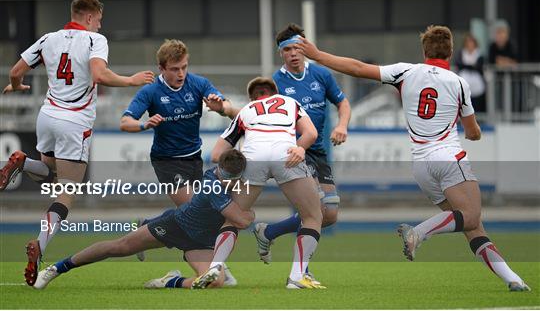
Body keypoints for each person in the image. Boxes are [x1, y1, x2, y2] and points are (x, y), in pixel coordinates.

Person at [295, 25, 530, 292]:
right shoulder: (458, 82)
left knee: (472, 227)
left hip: (421, 166)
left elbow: (358, 68)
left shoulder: (405, 71)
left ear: (424, 51)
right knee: (472, 216)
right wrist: (474, 134)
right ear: (451, 52)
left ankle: (513, 279)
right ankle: (419, 233)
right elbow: (472, 129)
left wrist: (317, 54)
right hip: (448, 157)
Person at [0, 0, 155, 286]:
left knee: (45, 174)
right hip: (75, 122)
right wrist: (131, 80)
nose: (99, 25)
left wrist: (18, 87)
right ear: (88, 17)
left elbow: (15, 71)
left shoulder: (48, 38)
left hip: (47, 116)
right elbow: (99, 75)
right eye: (98, 20)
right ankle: (40, 246)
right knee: (67, 193)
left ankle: (22, 161)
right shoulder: (95, 41)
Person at [32, 149, 254, 290]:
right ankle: (57, 268)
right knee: (117, 247)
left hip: (201, 243)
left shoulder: (235, 178)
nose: (227, 182)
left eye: (232, 179)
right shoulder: (214, 184)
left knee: (214, 282)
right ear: (219, 170)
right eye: (224, 177)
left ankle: (170, 281)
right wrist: (250, 214)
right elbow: (242, 221)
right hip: (176, 226)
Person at [193, 77, 326, 289]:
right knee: (313, 216)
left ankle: (214, 267)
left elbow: (217, 154)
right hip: (286, 154)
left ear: (252, 97)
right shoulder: (290, 102)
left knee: (234, 219)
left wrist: (237, 165)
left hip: (253, 157)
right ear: (275, 93)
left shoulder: (247, 110)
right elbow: (311, 133)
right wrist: (300, 148)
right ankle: (297, 276)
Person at [253, 23, 351, 265]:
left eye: (298, 48)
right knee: (314, 212)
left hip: (317, 152)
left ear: (305, 48)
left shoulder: (321, 75)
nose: (293, 54)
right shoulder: (275, 83)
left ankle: (268, 232)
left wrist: (342, 126)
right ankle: (300, 271)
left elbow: (343, 104)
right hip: (292, 153)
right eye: (288, 50)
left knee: (330, 214)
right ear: (281, 53)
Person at [120, 39, 234, 208]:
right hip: (166, 161)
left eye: (184, 67)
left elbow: (226, 105)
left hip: (194, 157)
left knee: (196, 213)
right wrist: (145, 125)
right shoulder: (150, 91)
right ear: (161, 69)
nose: (181, 74)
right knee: (196, 210)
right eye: (174, 69)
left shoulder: (198, 83)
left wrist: (221, 108)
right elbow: (125, 122)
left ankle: (148, 226)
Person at [454, 33, 486, 113]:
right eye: (468, 42)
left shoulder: (479, 54)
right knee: (464, 103)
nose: (470, 44)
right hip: (464, 81)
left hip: (476, 83)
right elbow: (459, 64)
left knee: (476, 104)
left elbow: (479, 66)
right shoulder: (461, 53)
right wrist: (471, 66)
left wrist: (467, 66)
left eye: (472, 42)